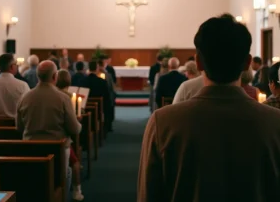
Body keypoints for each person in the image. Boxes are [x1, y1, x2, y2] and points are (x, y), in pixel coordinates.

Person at [138, 14, 280, 202]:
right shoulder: (274, 122)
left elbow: (149, 195)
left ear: (198, 62)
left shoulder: (163, 122)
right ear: (247, 63)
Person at [16, 61, 83, 200]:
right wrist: (79, 124)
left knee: (34, 181)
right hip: (56, 149)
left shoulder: (25, 97)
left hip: (30, 149)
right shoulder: (63, 98)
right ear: (55, 76)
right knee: (66, 174)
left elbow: (19, 128)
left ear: (38, 76)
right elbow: (74, 129)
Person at [56, 69, 84, 201]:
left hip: (35, 141)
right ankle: (76, 190)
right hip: (60, 140)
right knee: (75, 162)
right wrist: (78, 125)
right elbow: (73, 127)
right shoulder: (66, 97)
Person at [0, 54, 30, 118]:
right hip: (16, 125)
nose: (17, 66)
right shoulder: (23, 85)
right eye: (16, 64)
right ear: (12, 67)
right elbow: (28, 107)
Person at [83, 61, 111, 132]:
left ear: (89, 68)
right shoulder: (102, 82)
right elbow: (107, 98)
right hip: (99, 110)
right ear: (97, 68)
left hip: (85, 109)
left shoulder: (82, 81)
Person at [98, 59, 116, 131]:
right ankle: (107, 126)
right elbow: (111, 87)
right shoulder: (107, 75)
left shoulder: (107, 74)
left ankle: (107, 125)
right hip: (105, 97)